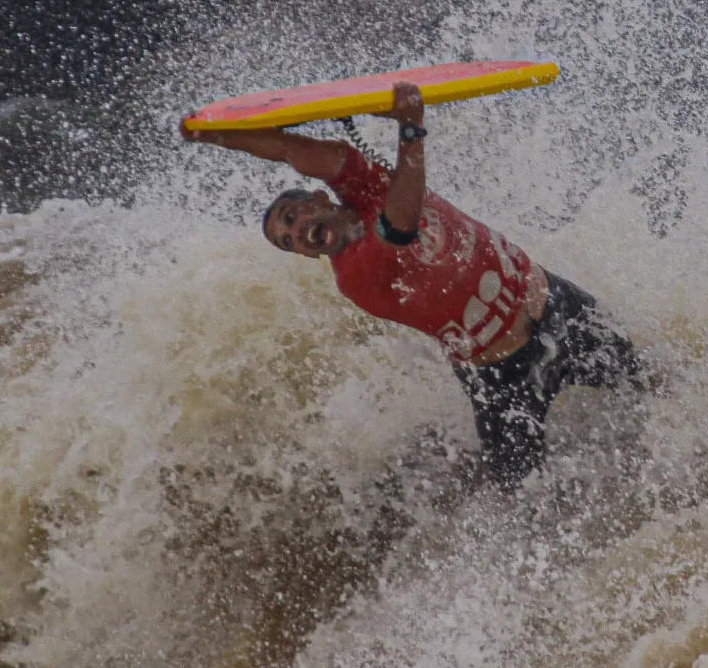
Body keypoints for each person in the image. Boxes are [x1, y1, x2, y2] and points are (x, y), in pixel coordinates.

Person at [185, 82, 644, 485]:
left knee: (654, 386)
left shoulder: (362, 184)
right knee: (527, 503)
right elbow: (401, 222)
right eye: (289, 243)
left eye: (292, 218)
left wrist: (218, 137)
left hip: (557, 304)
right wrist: (410, 128)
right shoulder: (357, 277)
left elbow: (292, 150)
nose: (297, 234)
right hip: (504, 377)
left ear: (319, 199)